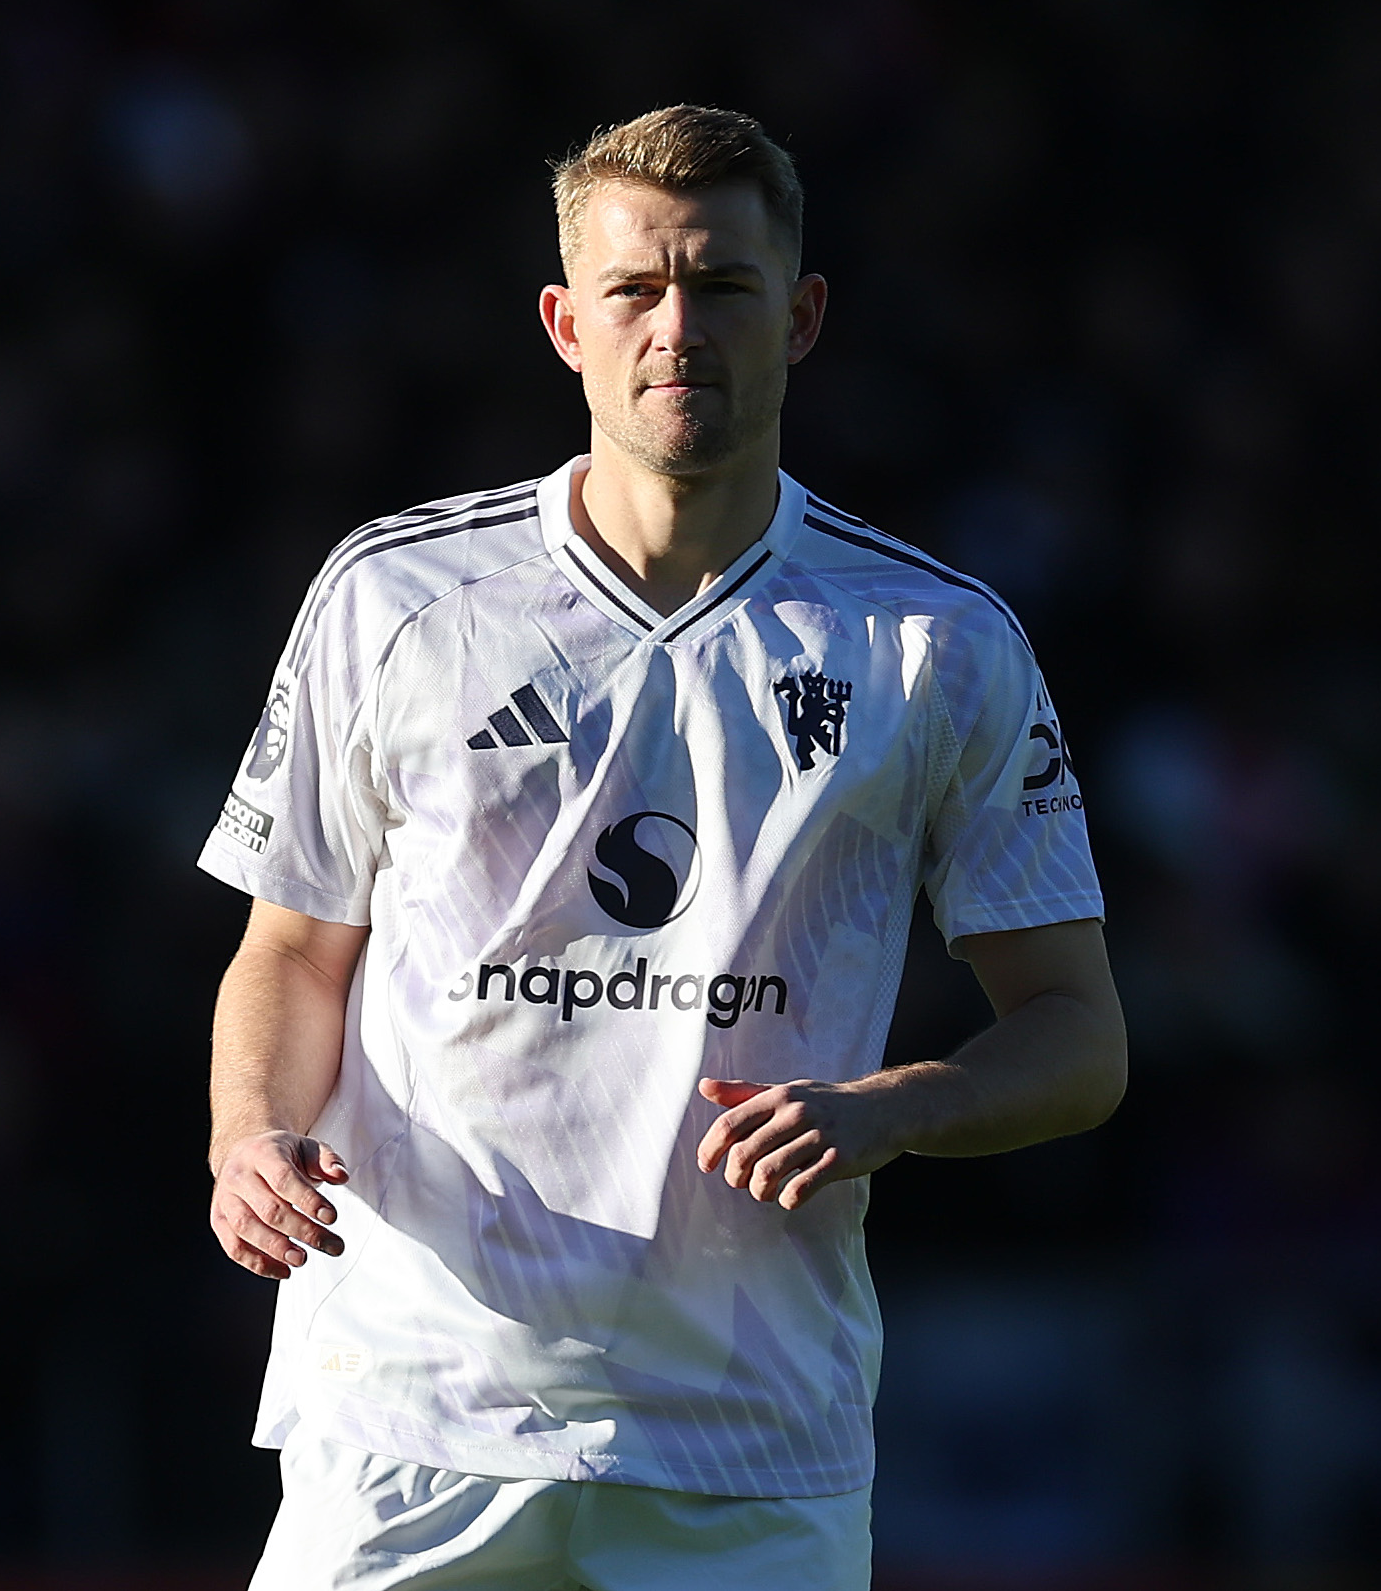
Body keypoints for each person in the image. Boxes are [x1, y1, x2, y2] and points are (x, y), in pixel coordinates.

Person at [200, 105, 1124, 1591]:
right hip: (412, 1415)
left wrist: (896, 1107)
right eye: (635, 289)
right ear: (567, 325)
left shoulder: (933, 642)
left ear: (801, 317)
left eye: (724, 286)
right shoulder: (396, 597)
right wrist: (248, 1135)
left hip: (748, 1446)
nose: (677, 328)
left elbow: (1079, 1037)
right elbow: (293, 951)